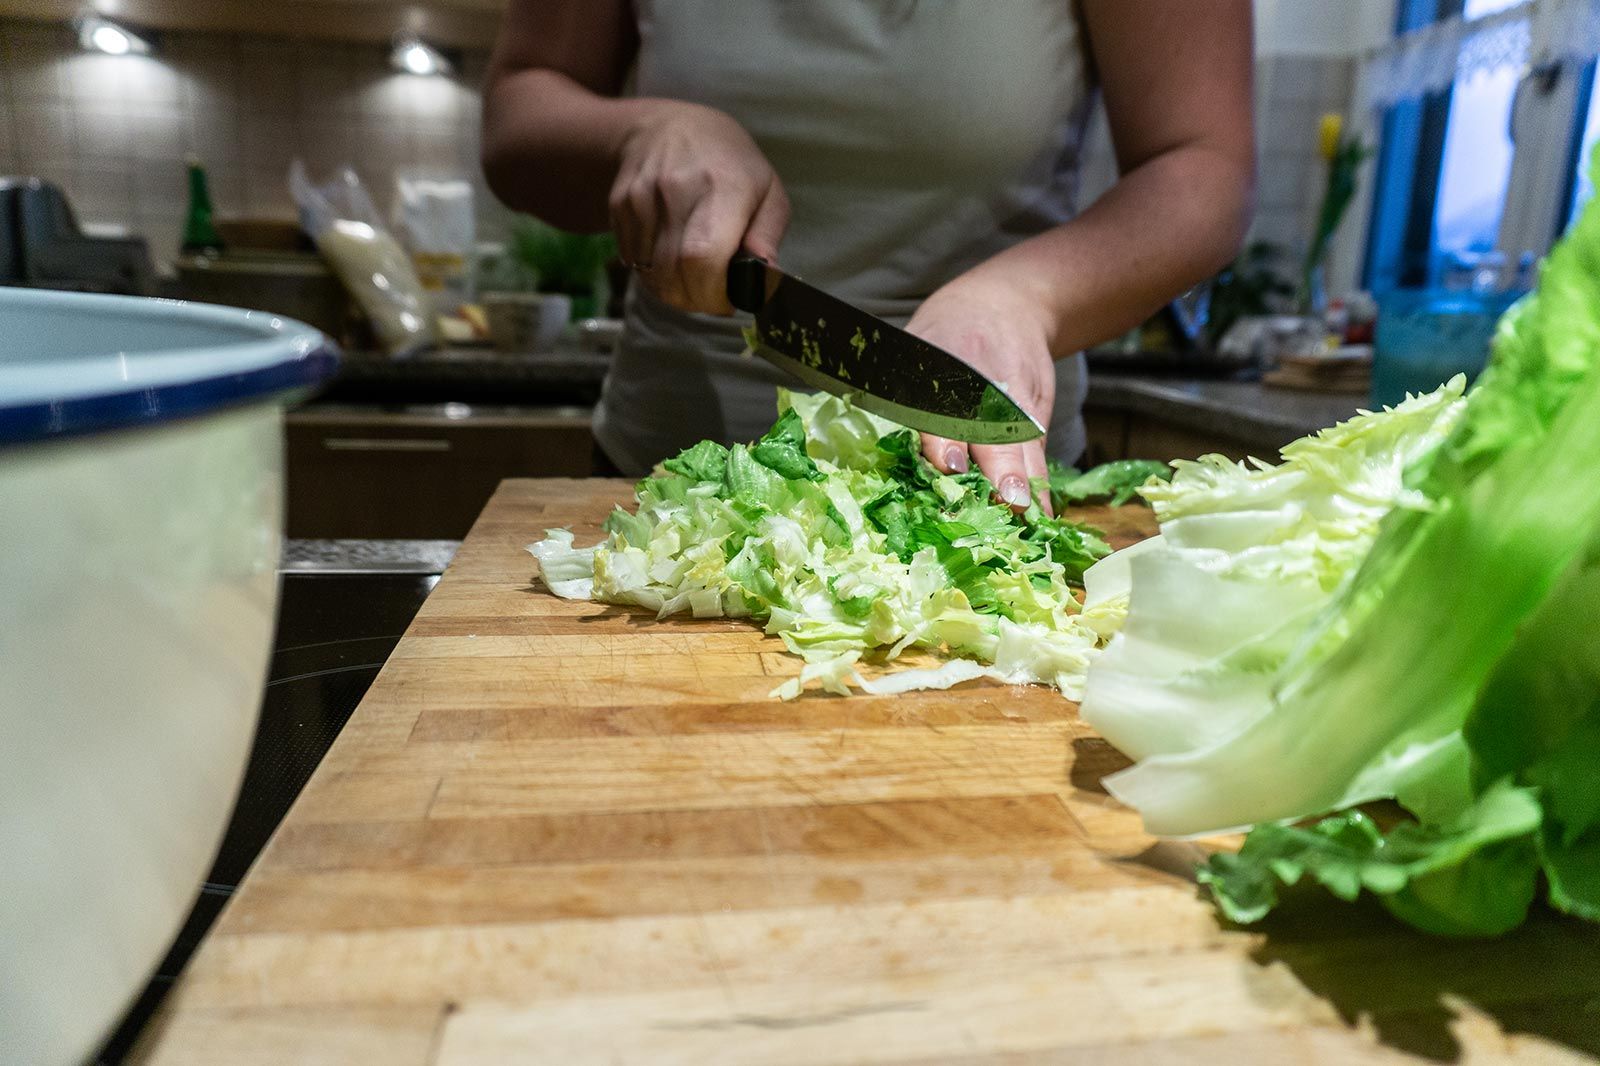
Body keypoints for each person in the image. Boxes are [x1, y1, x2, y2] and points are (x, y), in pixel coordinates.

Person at [483, 1, 1254, 513]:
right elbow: (517, 115)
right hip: (665, 492)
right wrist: (641, 133)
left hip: (981, 490)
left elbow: (1204, 167)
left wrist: (1023, 295)